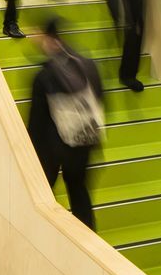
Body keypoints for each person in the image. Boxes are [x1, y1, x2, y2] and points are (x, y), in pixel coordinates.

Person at [27, 18, 104, 230]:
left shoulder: (44, 76)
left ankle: (43, 235)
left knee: (42, 196)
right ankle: (89, 239)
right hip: (84, 140)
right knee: (79, 191)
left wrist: (30, 153)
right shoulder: (89, 66)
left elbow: (36, 122)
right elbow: (101, 100)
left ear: (49, 39)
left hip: (54, 148)